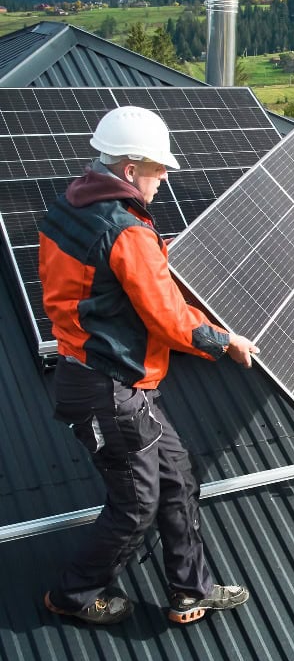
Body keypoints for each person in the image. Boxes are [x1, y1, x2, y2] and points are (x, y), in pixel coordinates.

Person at [38, 105, 259, 627]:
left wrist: (153, 257)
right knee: (136, 505)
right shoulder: (126, 232)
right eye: (159, 169)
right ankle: (72, 595)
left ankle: (189, 591)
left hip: (117, 385)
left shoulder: (70, 205)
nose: (164, 179)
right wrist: (224, 341)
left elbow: (97, 277)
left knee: (178, 480)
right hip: (105, 390)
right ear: (130, 168)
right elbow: (166, 319)